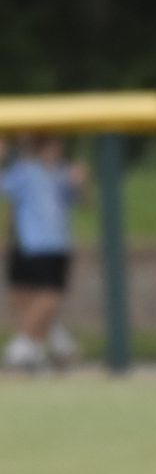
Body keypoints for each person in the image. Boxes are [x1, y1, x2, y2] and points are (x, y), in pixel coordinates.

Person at [2, 135, 86, 372]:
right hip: (28, 243)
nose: (55, 150)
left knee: (50, 297)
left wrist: (80, 183)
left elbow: (80, 201)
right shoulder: (25, 171)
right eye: (50, 146)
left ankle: (23, 347)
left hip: (55, 245)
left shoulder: (63, 173)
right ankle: (56, 344)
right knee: (24, 299)